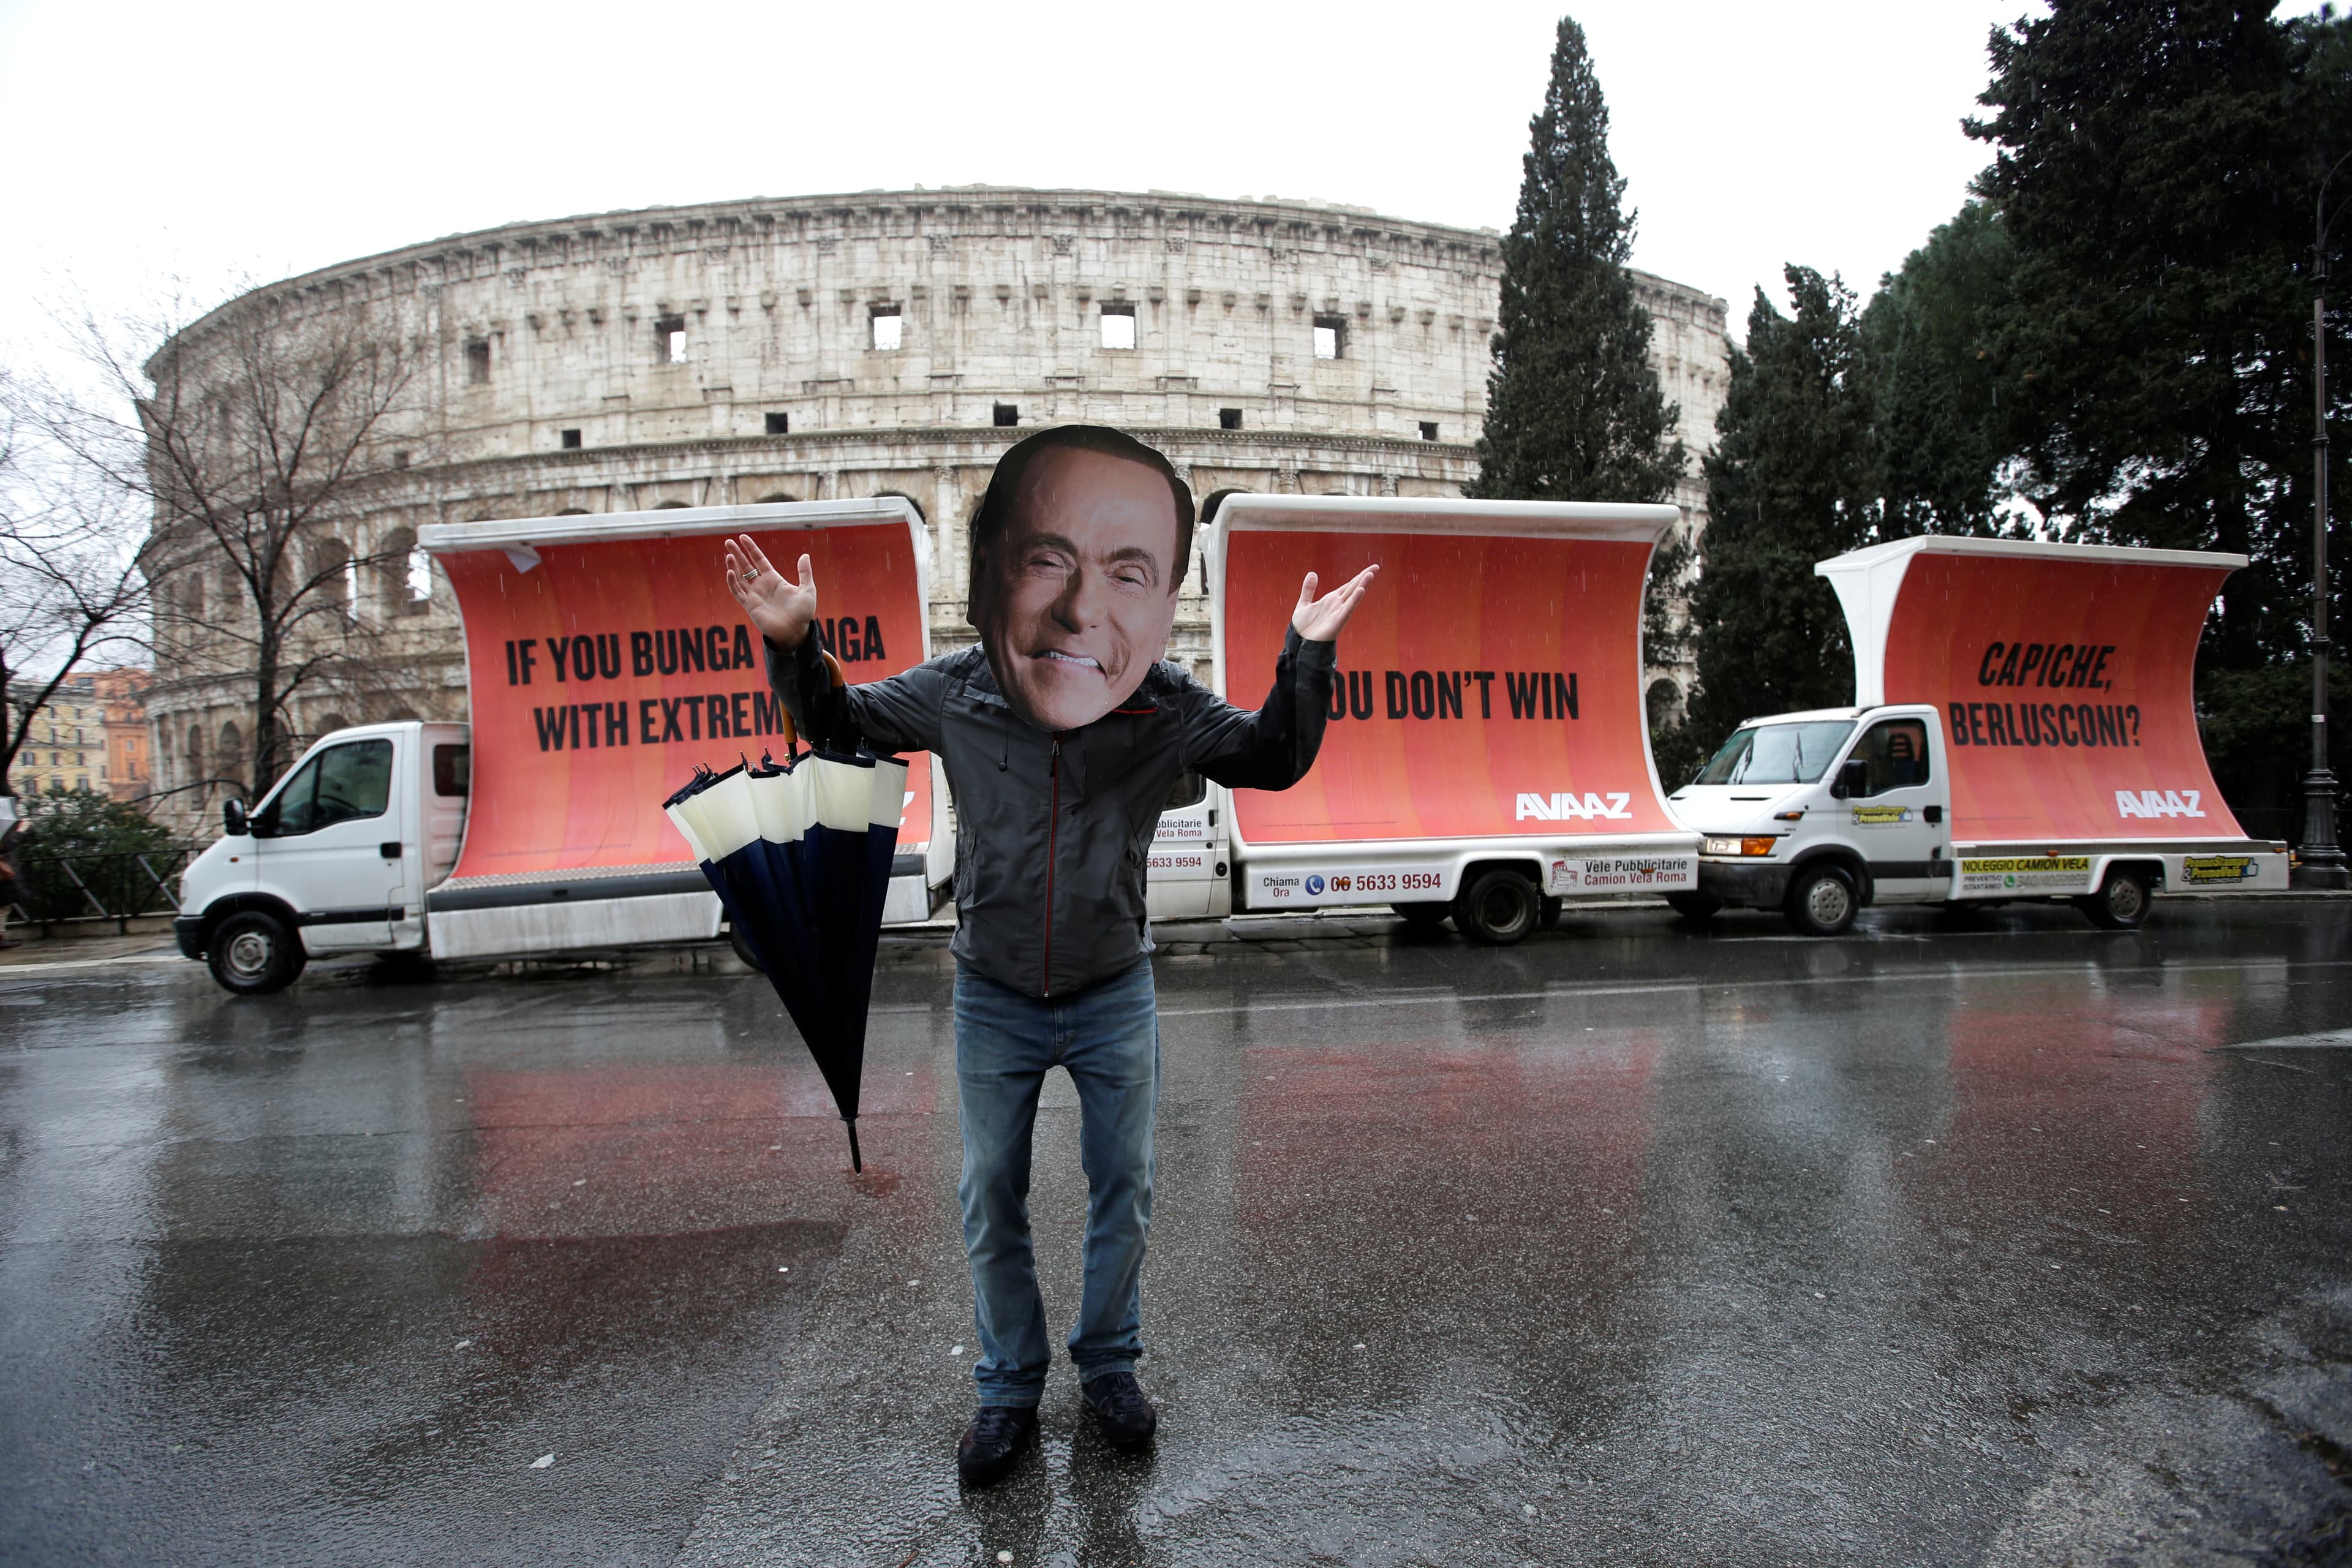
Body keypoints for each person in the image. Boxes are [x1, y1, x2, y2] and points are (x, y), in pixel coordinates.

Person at [726, 424, 1374, 1485]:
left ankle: (1109, 1367)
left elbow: (1272, 755)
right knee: (991, 1192)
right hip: (994, 993)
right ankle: (1007, 1389)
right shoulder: (958, 691)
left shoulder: (1156, 699)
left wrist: (1305, 652)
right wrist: (797, 646)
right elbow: (837, 727)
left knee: (1126, 1185)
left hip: (1114, 983)